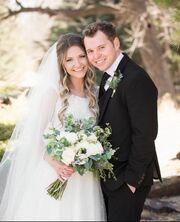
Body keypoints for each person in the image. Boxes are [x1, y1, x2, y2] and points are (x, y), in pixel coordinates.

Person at [0, 33, 106, 221]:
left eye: (81, 56)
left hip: (85, 176)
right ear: (62, 64)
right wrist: (56, 164)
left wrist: (89, 152)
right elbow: (38, 136)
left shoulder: (96, 93)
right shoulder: (53, 93)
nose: (78, 63)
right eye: (70, 59)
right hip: (55, 172)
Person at [83, 21, 162, 221]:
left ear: (116, 43)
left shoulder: (135, 78)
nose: (96, 55)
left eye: (101, 47)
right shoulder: (108, 75)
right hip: (110, 177)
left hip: (128, 179)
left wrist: (132, 181)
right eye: (90, 50)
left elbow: (145, 134)